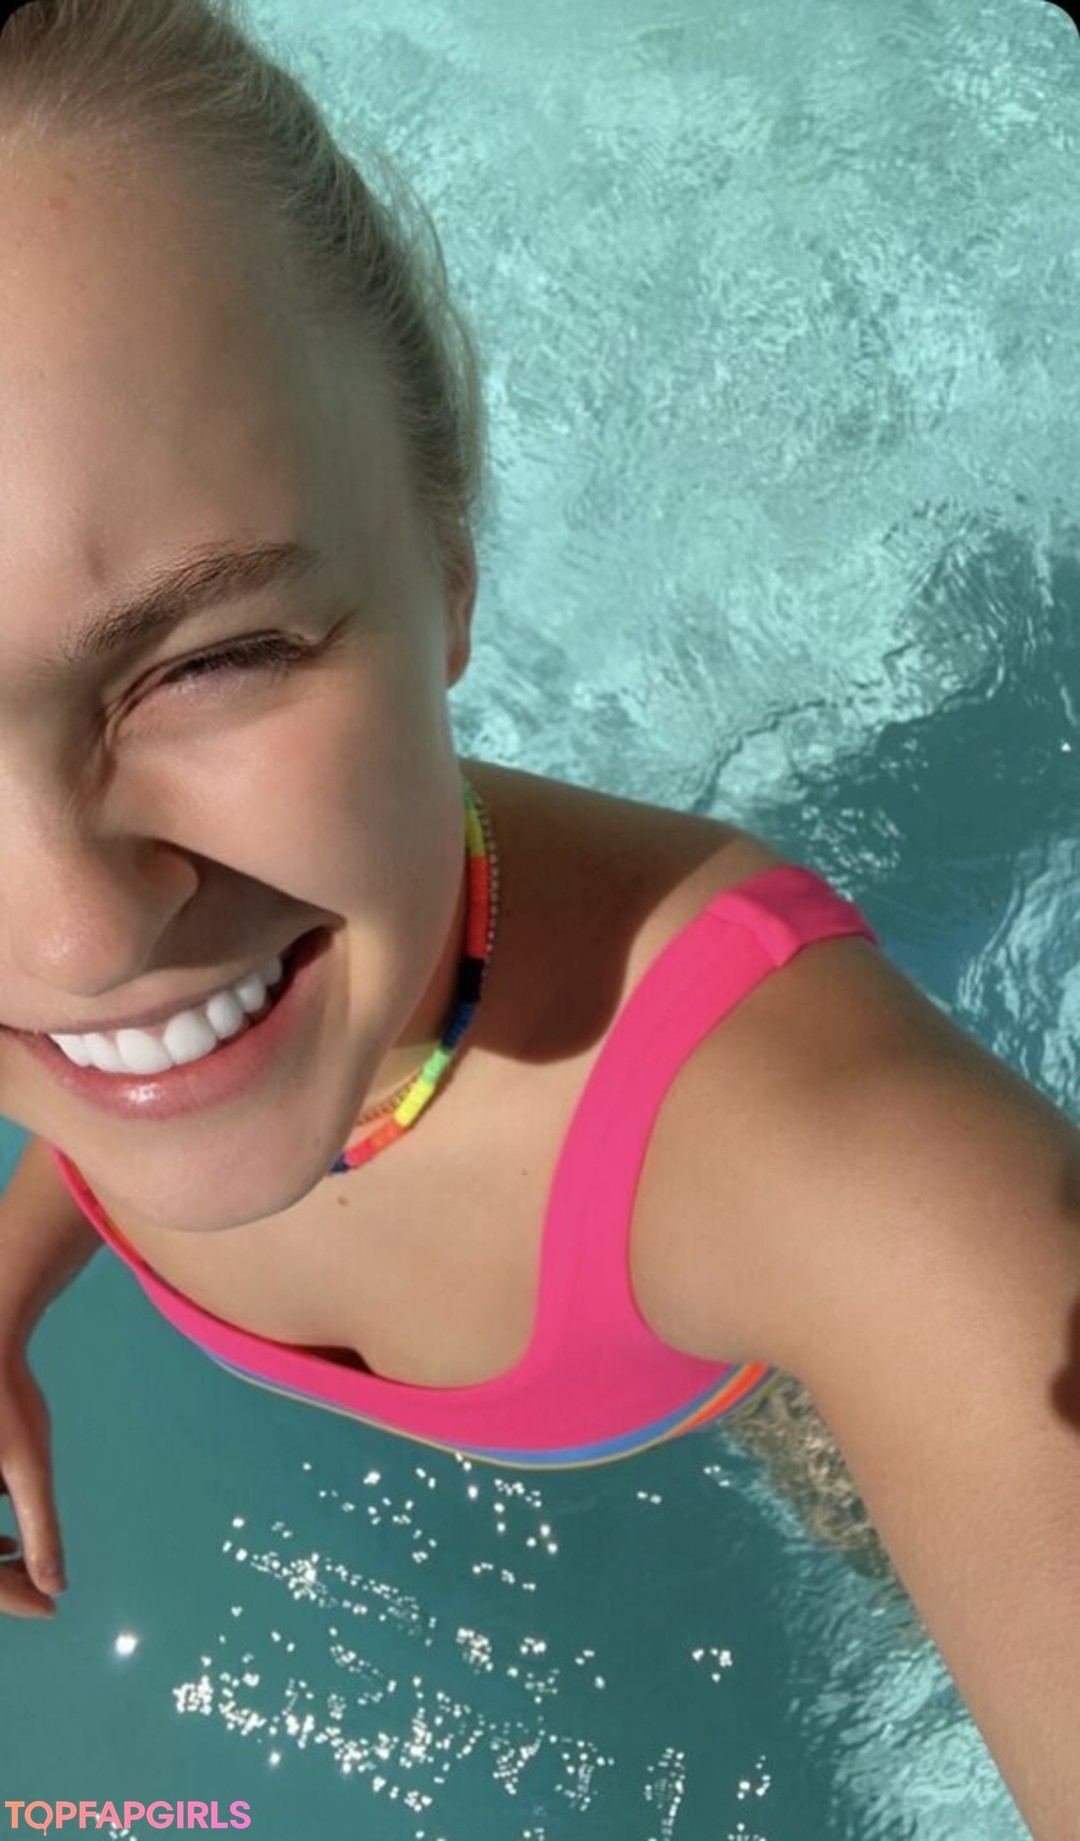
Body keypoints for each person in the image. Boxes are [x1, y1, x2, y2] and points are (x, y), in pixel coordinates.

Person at [0, 4, 1077, 1834]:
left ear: (452, 568)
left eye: (215, 657)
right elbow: (107, 1059)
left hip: (733, 1347)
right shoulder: (157, 998)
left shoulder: (851, 1188)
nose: (80, 938)